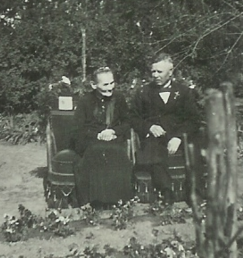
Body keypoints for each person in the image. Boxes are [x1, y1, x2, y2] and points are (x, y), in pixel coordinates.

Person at [132, 53, 200, 205]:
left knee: (195, 148)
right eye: (153, 71)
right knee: (153, 151)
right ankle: (166, 192)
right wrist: (149, 127)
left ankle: (194, 194)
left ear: (171, 72)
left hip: (179, 135)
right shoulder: (143, 92)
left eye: (159, 72)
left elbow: (194, 120)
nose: (155, 75)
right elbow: (133, 118)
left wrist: (178, 137)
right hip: (155, 137)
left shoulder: (184, 92)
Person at [72, 67, 134, 207]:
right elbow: (78, 128)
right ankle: (94, 200)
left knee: (117, 152)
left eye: (112, 83)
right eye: (105, 84)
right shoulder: (85, 101)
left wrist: (114, 131)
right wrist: (97, 135)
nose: (110, 87)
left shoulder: (119, 98)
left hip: (114, 137)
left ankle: (118, 199)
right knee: (96, 151)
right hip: (91, 139)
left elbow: (127, 121)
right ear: (94, 85)